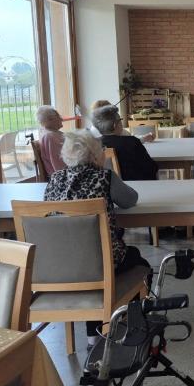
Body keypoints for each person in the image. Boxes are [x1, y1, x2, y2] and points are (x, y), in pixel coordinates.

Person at [44, 130, 148, 347]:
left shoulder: (54, 180)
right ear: (95, 154)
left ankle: (94, 335)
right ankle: (130, 324)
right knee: (139, 262)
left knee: (90, 265)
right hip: (100, 264)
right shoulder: (104, 177)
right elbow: (131, 200)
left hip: (59, 266)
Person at [93, 105, 158, 181]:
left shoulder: (93, 145)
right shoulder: (132, 142)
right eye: (120, 120)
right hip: (138, 187)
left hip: (107, 189)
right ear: (115, 125)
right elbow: (151, 168)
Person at [88, 100, 154, 143]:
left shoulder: (89, 135)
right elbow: (131, 141)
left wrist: (144, 138)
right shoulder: (115, 130)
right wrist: (144, 138)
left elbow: (130, 138)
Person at [36, 105, 67, 176]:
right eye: (58, 116)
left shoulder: (51, 133)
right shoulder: (50, 137)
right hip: (61, 176)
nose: (62, 119)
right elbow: (58, 165)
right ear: (50, 120)